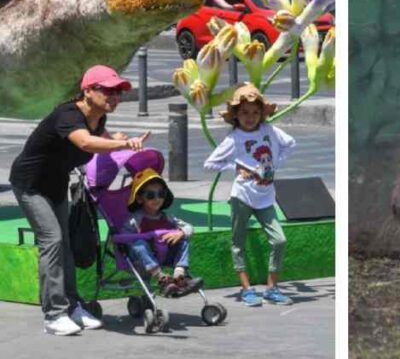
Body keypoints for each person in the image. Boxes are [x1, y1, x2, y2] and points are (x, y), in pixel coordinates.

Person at [9, 65, 149, 335]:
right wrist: (122, 144)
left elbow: (99, 137)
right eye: (107, 90)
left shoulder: (98, 118)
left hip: (55, 186)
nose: (114, 97)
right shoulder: (68, 115)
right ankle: (54, 315)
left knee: (65, 245)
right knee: (52, 241)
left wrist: (114, 139)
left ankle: (73, 307)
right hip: (30, 186)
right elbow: (85, 143)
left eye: (118, 92)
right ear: (87, 91)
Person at [205, 84, 296, 307]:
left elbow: (290, 144)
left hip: (265, 196)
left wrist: (275, 163)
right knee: (238, 242)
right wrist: (235, 167)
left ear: (262, 114)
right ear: (236, 115)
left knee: (279, 240)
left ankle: (272, 288)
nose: (250, 117)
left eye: (255, 112)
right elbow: (210, 163)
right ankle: (246, 288)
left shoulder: (269, 130)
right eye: (244, 112)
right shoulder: (233, 138)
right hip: (242, 196)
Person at [122, 168, 203, 297]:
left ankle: (179, 275)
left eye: (161, 194)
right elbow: (122, 237)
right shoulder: (135, 219)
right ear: (139, 199)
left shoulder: (167, 217)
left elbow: (189, 227)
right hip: (143, 260)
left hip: (165, 255)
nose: (157, 198)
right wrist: (145, 237)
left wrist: (180, 233)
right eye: (150, 195)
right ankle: (161, 278)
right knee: (139, 243)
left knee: (183, 238)